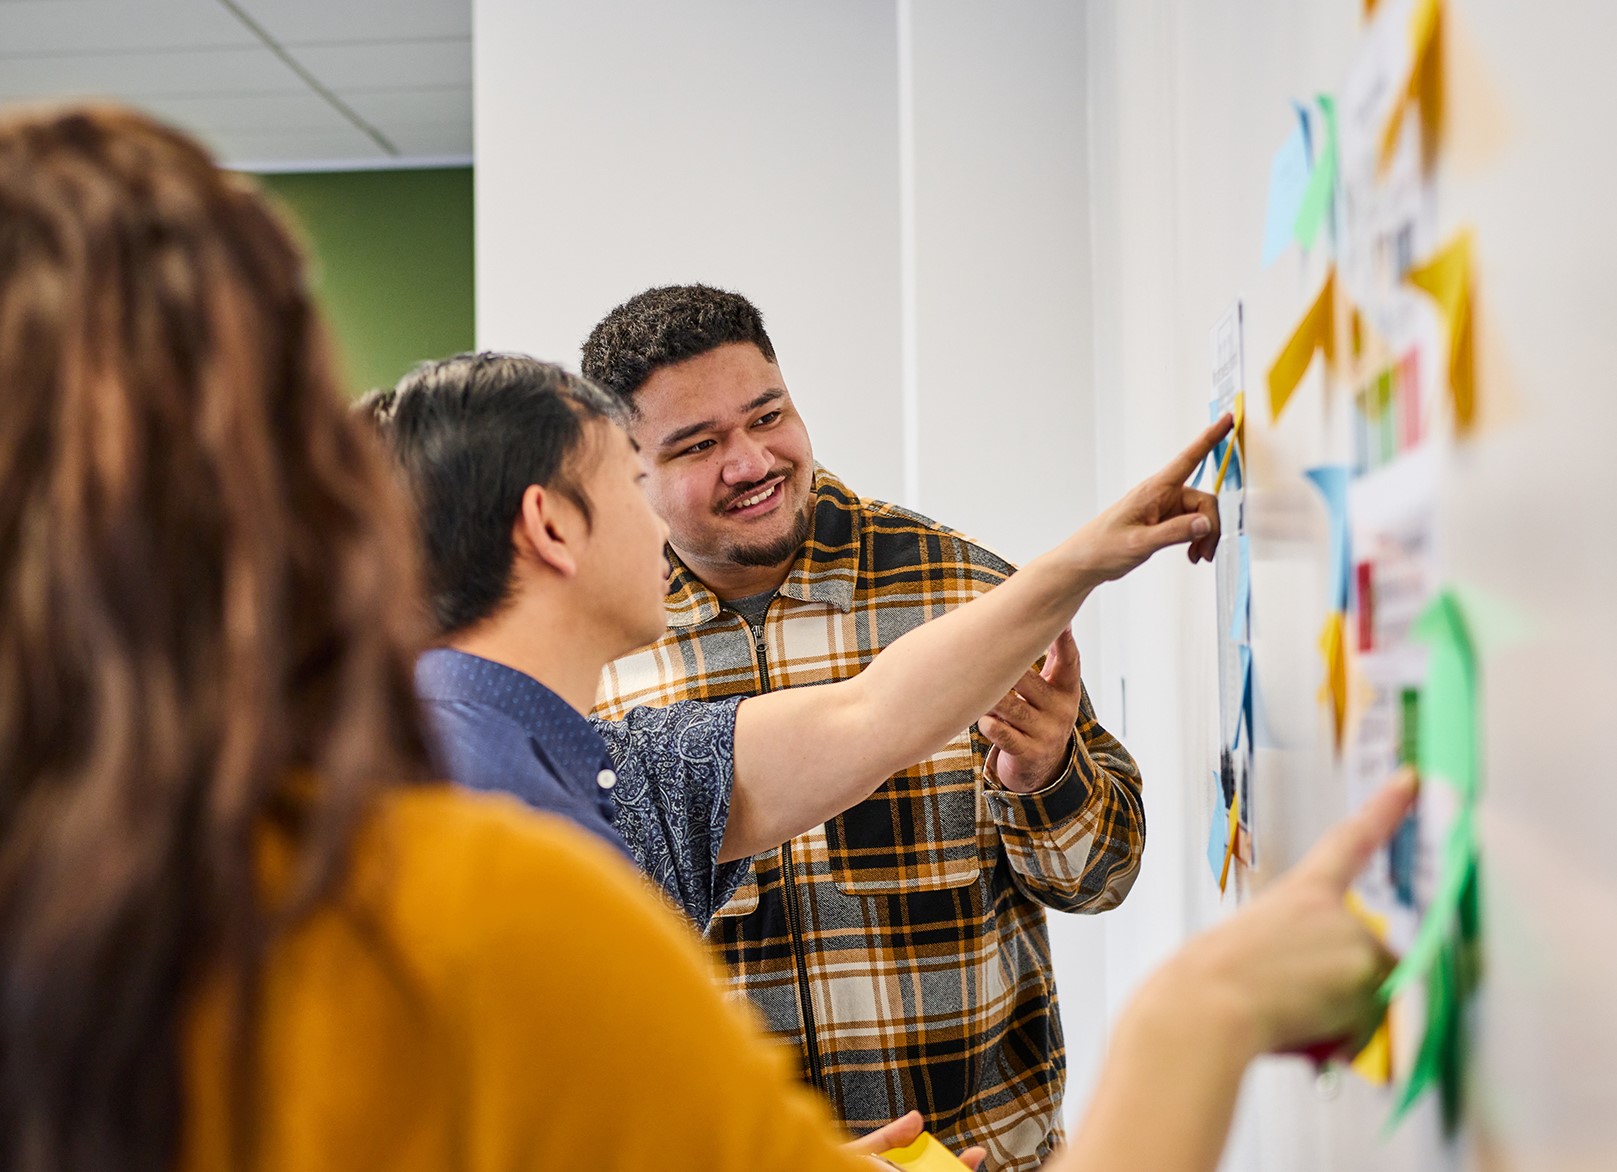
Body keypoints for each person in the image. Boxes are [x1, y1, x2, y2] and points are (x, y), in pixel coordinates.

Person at [0, 102, 1401, 1172]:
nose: (735, 472)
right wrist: (1202, 1011)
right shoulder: (469, 879)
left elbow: (874, 715)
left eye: (767, 416)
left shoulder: (561, 766)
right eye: (645, 471)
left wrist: (1080, 565)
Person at [363, 354, 1216, 939]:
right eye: (631, 483)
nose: (654, 521)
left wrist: (1087, 557)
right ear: (550, 526)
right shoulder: (434, 800)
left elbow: (873, 712)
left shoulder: (619, 769)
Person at [582, 284, 1143, 1166]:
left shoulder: (960, 594)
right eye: (698, 445)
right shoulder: (598, 662)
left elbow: (1099, 879)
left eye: (767, 416)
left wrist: (1047, 778)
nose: (751, 460)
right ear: (629, 472)